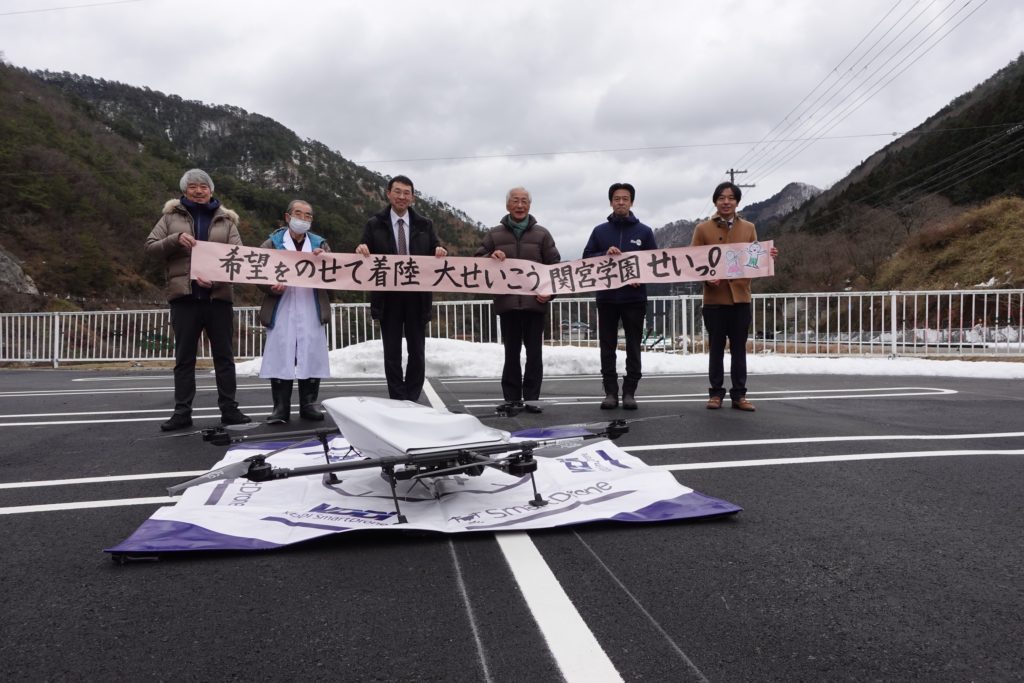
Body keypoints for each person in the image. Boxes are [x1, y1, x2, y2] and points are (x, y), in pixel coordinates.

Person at [145, 169, 251, 431]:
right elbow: (150, 247)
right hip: (184, 298)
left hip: (219, 298)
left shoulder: (227, 221)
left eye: (204, 186)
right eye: (192, 186)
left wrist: (215, 281)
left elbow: (238, 260)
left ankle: (230, 409)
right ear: (184, 191)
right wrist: (174, 240)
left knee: (224, 357)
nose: (199, 190)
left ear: (211, 190)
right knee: (184, 358)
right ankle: (182, 412)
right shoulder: (170, 218)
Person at [356, 175, 447, 402]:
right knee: (392, 353)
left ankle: (412, 398)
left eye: (407, 193)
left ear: (413, 197)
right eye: (397, 191)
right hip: (388, 298)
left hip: (417, 298)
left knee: (417, 351)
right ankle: (397, 398)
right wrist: (361, 248)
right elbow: (362, 249)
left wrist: (439, 251)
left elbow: (435, 248)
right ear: (388, 194)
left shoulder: (425, 224)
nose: (402, 197)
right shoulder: (374, 223)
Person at [691, 181, 778, 411]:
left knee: (739, 349)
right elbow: (692, 262)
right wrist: (706, 278)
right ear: (715, 201)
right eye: (721, 197)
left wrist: (767, 257)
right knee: (716, 349)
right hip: (714, 301)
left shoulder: (749, 227)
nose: (726, 201)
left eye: (730, 198)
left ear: (737, 202)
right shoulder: (702, 229)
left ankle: (739, 395)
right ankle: (715, 393)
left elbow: (754, 259)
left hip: (741, 298)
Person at [475, 187, 560, 412]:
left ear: (529, 206)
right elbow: (476, 261)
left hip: (536, 305)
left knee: (534, 355)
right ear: (507, 205)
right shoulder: (494, 234)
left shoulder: (542, 234)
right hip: (508, 304)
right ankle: (511, 399)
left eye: (524, 201)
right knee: (510, 354)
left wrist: (550, 293)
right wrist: (489, 257)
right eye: (515, 201)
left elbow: (555, 268)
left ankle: (532, 399)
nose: (520, 205)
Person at [583, 183, 657, 410]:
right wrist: (604, 254)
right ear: (611, 202)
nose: (621, 202)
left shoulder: (644, 232)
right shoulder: (599, 231)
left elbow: (654, 262)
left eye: (625, 198)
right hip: (606, 298)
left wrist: (640, 277)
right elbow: (587, 259)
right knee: (607, 347)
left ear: (632, 202)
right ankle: (610, 392)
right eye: (617, 198)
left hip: (634, 299)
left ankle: (629, 392)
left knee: (634, 345)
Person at [258, 200, 332, 423]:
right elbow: (256, 272)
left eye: (308, 215)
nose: (303, 219)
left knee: (311, 353)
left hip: (311, 304)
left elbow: (334, 274)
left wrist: (325, 260)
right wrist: (270, 287)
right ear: (287, 217)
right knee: (282, 352)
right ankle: (280, 407)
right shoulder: (272, 243)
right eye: (298, 214)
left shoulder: (320, 244)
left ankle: (308, 404)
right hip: (283, 304)